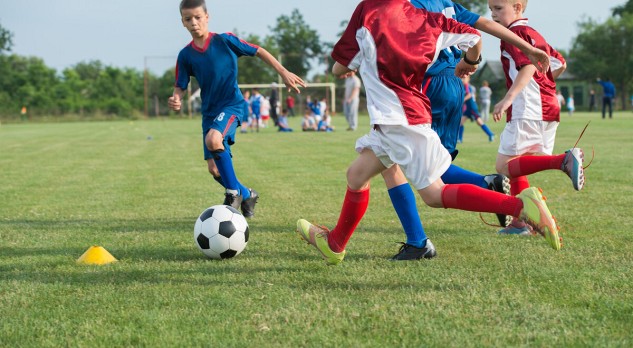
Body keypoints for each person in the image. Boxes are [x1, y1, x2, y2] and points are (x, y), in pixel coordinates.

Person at [295, 0, 562, 266]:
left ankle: (520, 207)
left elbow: (339, 67)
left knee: (434, 194)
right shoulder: (427, 19)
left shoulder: (368, 10)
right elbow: (475, 36)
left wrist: (355, 62)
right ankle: (335, 244)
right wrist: (481, 59)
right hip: (403, 116)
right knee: (356, 175)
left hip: (398, 120)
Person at [377, 0, 553, 260]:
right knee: (425, 160)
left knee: (410, 169)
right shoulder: (446, 3)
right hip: (454, 84)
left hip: (426, 85)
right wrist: (478, 59)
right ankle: (486, 186)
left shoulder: (407, 5)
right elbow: (482, 29)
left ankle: (420, 240)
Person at [168, 0, 305, 217]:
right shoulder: (185, 55)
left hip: (232, 105)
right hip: (209, 113)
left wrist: (283, 72)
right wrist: (176, 98)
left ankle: (233, 193)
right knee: (214, 169)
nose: (194, 23)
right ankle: (247, 193)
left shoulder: (225, 41)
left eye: (197, 17)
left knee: (214, 140)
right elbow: (180, 86)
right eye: (188, 19)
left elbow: (258, 50)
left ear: (207, 17)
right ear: (182, 22)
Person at [489, 0, 585, 235]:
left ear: (518, 7)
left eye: (498, 8)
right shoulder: (532, 33)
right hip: (546, 106)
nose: (493, 14)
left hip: (528, 107)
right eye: (491, 9)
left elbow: (528, 67)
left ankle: (563, 161)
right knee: (518, 164)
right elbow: (559, 63)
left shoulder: (516, 34)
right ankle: (521, 222)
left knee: (505, 166)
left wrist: (508, 98)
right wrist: (546, 85)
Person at [459, 75, 495, 142]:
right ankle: (460, 139)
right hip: (468, 108)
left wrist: (462, 100)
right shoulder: (464, 86)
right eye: (462, 78)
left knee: (479, 122)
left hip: (472, 107)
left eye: (464, 78)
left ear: (468, 79)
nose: (462, 80)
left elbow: (469, 95)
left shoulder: (467, 85)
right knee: (461, 122)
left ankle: (491, 134)